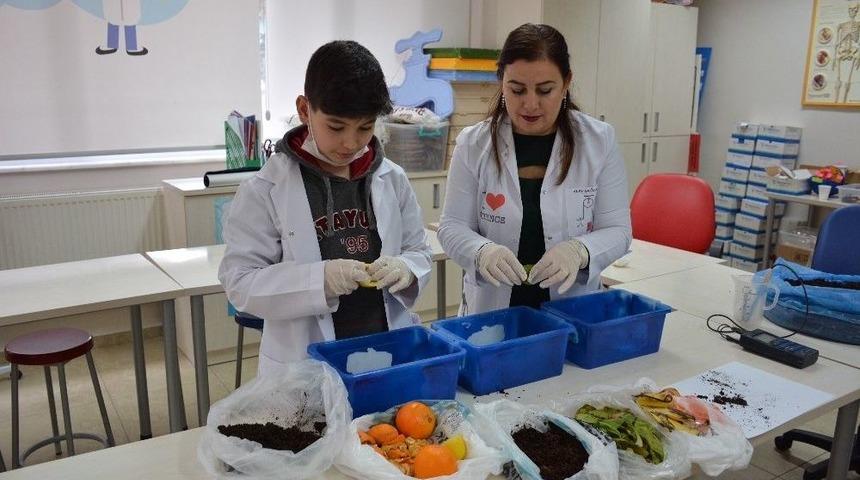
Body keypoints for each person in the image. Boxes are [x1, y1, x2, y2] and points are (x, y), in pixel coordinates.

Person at [219, 40, 432, 374]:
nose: (350, 143)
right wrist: (320, 280)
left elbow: (418, 251)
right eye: (336, 127)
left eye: (365, 127)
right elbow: (240, 284)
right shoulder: (266, 189)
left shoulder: (392, 178)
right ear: (305, 110)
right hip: (305, 365)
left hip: (385, 348)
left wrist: (407, 268)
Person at [438, 23, 631, 315]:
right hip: (493, 309)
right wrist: (482, 251)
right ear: (501, 81)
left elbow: (618, 230)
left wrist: (579, 251)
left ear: (566, 83)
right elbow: (451, 226)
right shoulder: (474, 143)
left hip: (571, 304)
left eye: (545, 90)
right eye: (516, 90)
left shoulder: (598, 141)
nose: (530, 104)